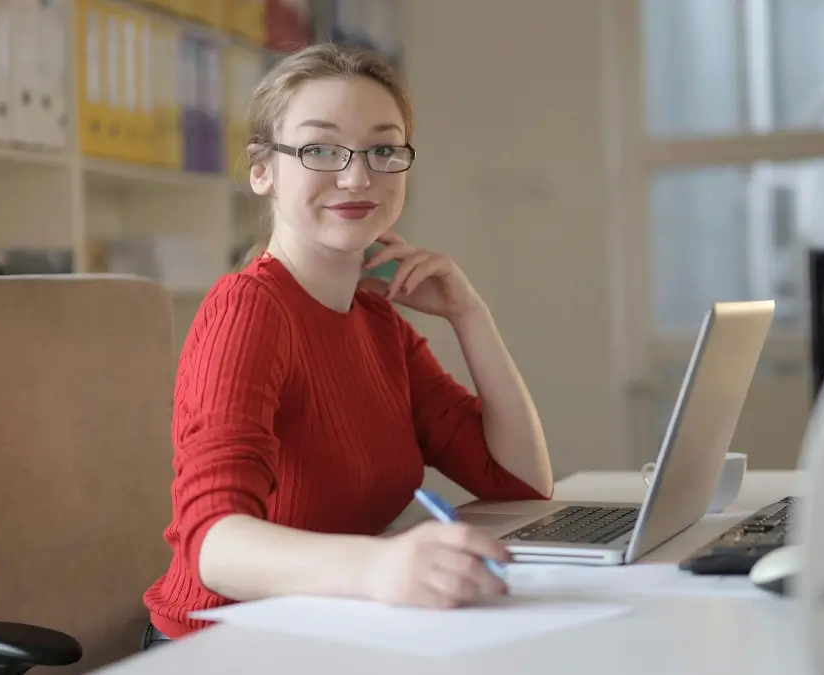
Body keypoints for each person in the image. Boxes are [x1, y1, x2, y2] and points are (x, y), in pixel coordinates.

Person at [141, 42, 554, 645]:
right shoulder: (248, 310)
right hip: (217, 645)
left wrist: (470, 315)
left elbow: (520, 482)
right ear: (262, 170)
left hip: (327, 631)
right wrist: (380, 567)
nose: (358, 176)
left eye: (383, 150)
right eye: (319, 149)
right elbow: (213, 544)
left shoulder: (377, 321)